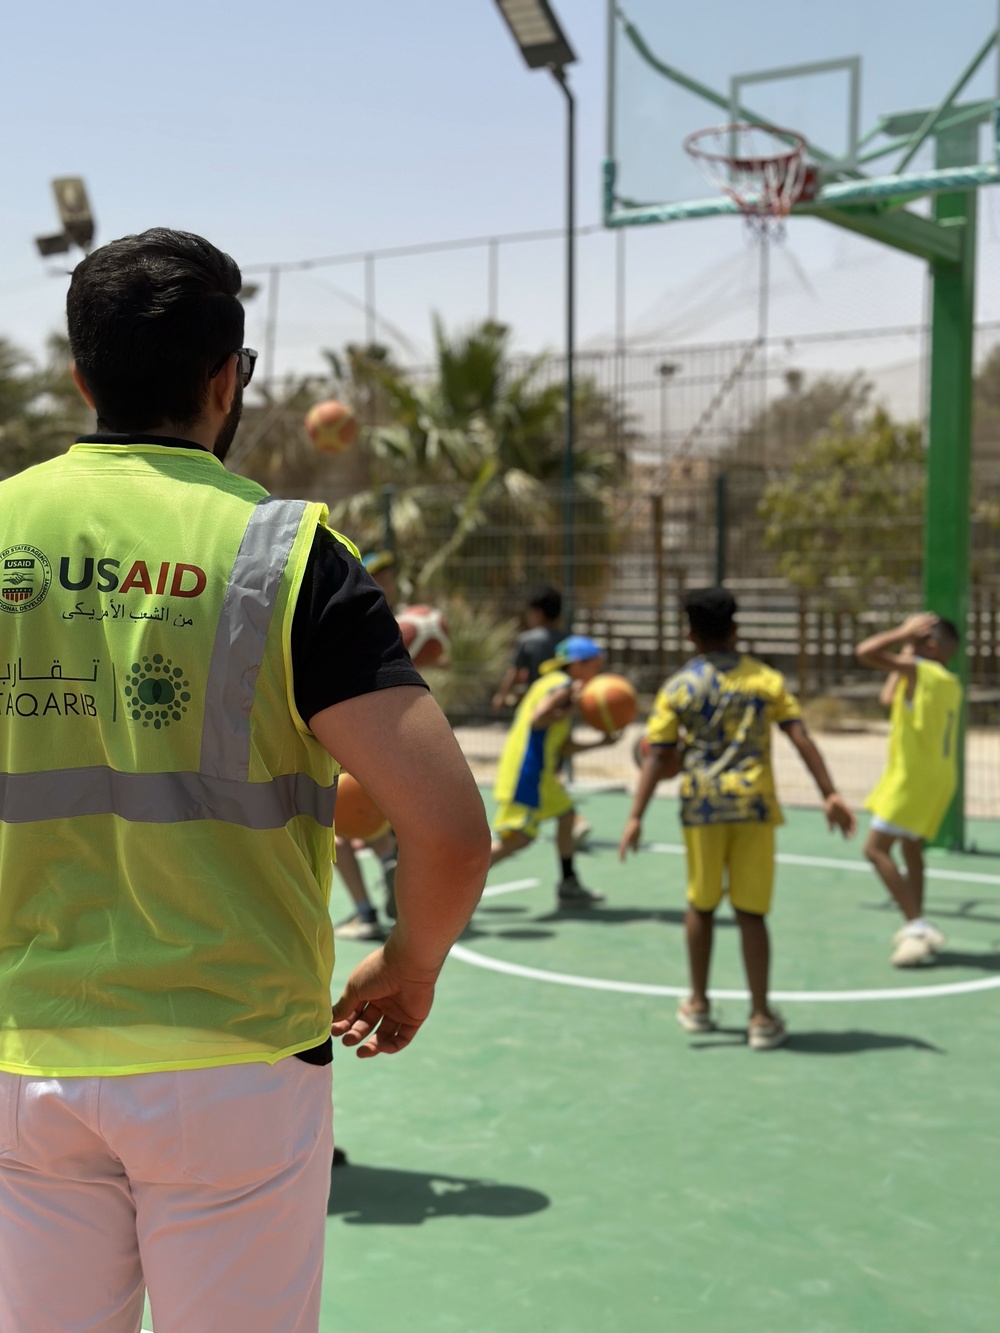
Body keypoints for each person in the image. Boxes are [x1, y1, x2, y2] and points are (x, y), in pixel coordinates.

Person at [0, 228, 490, 1333]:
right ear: (230, 380)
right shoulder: (288, 554)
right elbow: (450, 831)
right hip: (233, 1059)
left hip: (21, 1049)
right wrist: (410, 964)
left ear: (81, 376)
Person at [619, 588, 855, 1050]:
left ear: (689, 633)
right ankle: (762, 1017)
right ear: (736, 629)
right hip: (754, 807)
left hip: (702, 807)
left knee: (701, 905)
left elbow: (657, 755)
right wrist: (829, 792)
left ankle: (700, 1005)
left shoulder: (679, 687)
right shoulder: (765, 680)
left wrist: (634, 815)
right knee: (751, 913)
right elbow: (800, 736)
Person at [855, 611, 962, 967]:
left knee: (875, 850)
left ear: (928, 645)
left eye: (915, 639)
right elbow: (889, 699)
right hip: (937, 776)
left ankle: (917, 926)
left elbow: (865, 651)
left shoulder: (920, 672)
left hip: (912, 778)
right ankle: (914, 922)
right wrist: (908, 648)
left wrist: (899, 633)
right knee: (911, 848)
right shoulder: (948, 681)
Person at [491, 635, 616, 907]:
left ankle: (568, 883)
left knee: (567, 815)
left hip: (542, 773)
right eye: (595, 665)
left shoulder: (551, 683)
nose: (598, 671)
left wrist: (600, 742)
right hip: (527, 770)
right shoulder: (563, 686)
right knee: (518, 839)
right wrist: (569, 706)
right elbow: (538, 720)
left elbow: (562, 747)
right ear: (577, 664)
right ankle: (449, 882)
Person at [491, 585, 564, 709]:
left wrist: (501, 696)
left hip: (535, 702)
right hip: (561, 702)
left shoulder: (527, 640)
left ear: (538, 613)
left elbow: (514, 672)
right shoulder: (567, 640)